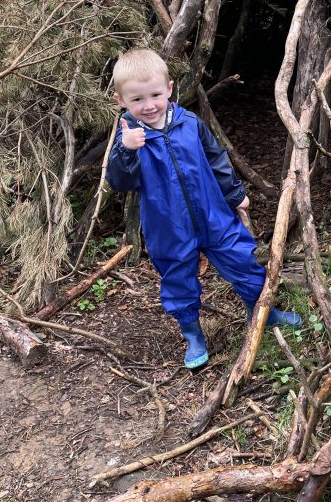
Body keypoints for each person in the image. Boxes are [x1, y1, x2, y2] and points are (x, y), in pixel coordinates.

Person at [106, 48, 301, 369]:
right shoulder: (129, 137)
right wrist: (126, 152)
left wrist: (235, 194)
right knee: (177, 278)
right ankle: (193, 333)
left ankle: (264, 312)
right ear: (121, 101)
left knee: (242, 259)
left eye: (155, 94)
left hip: (214, 215)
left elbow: (216, 160)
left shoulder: (189, 123)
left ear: (169, 89)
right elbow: (120, 182)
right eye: (137, 99)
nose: (149, 105)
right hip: (168, 226)